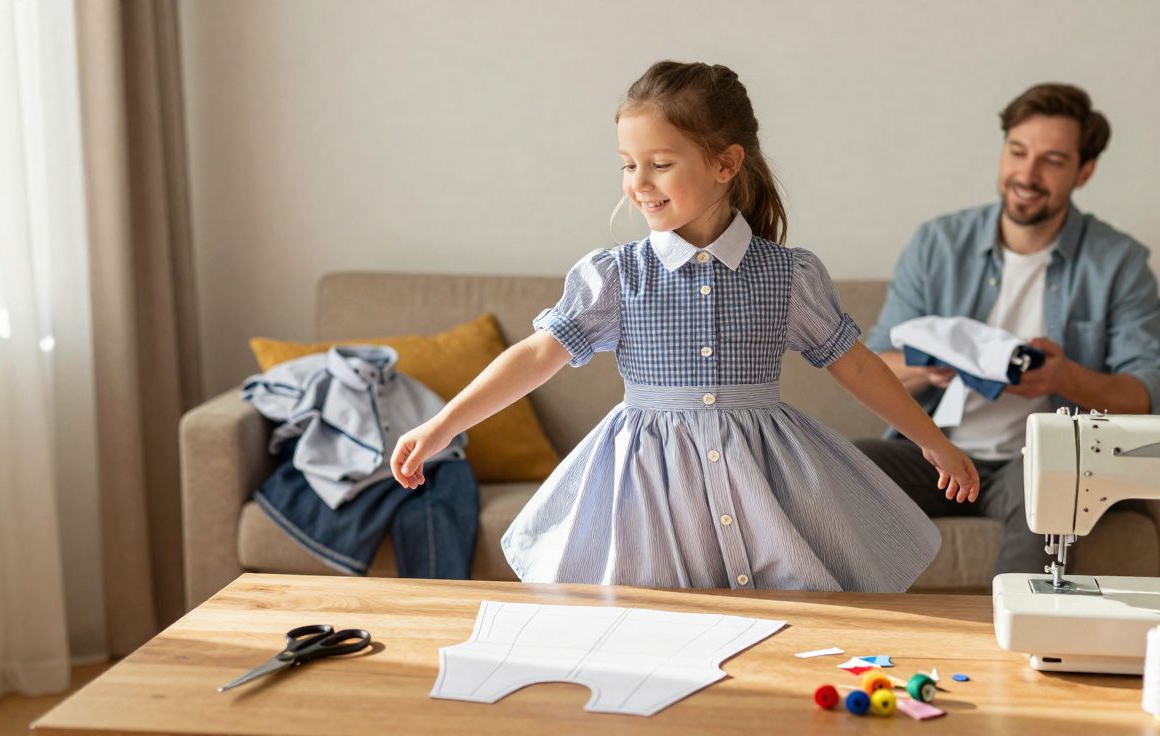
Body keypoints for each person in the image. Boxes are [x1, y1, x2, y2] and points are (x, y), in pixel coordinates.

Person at [390, 60, 979, 593]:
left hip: (766, 484)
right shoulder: (616, 276)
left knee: (786, 616)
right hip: (647, 489)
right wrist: (443, 426)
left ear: (726, 163)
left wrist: (933, 441)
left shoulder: (787, 276)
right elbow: (539, 354)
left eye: (660, 164)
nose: (638, 182)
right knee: (650, 626)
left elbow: (854, 364)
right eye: (628, 164)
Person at [861, 83, 1160, 576]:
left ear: (1084, 171)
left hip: (1041, 459)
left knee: (1048, 483)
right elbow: (874, 366)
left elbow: (1153, 391)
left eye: (1052, 161)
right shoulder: (938, 244)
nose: (1027, 175)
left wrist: (1062, 377)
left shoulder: (1119, 262)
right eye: (1018, 152)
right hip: (934, 453)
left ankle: (1011, 648)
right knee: (835, 466)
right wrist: (933, 363)